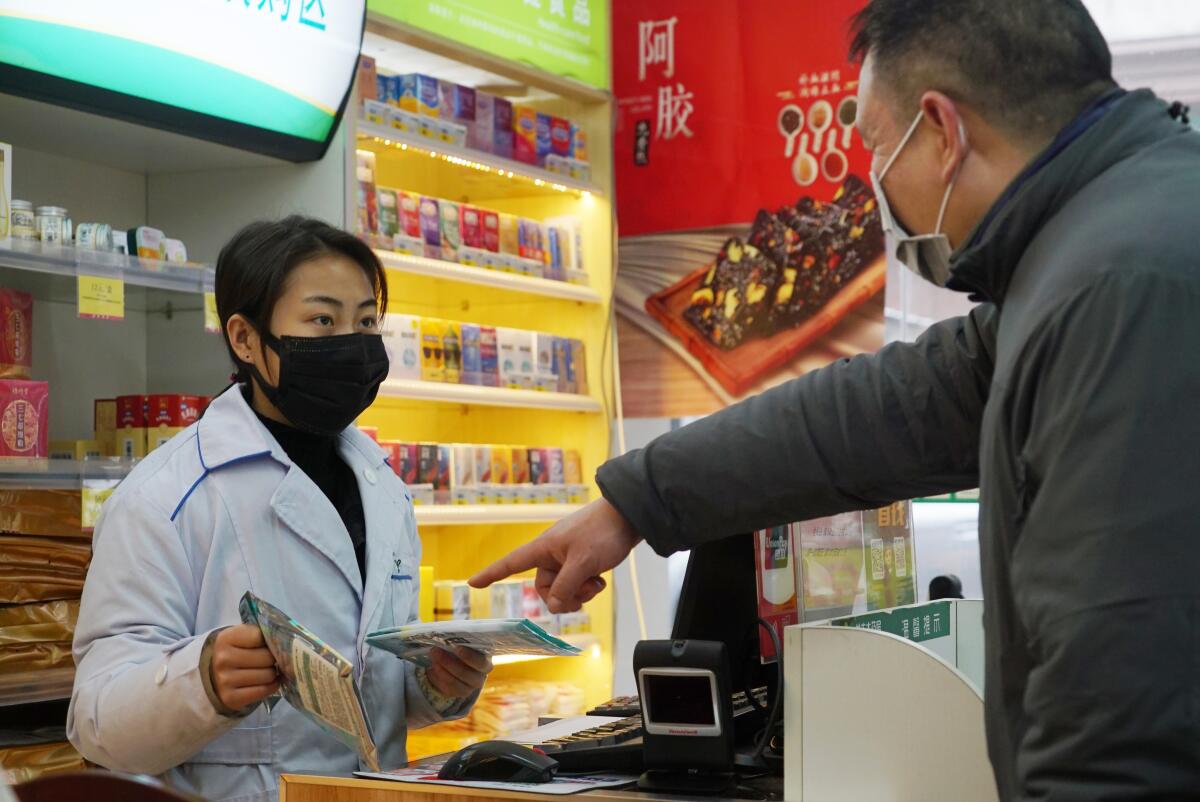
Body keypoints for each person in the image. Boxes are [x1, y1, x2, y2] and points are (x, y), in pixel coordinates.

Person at [473, 0, 1200, 798]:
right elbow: (884, 411)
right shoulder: (1091, 252)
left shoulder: (1122, 290)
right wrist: (635, 503)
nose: (880, 190)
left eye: (878, 151)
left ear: (942, 133)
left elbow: (1125, 708)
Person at [68, 217, 491, 802]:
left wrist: (435, 684)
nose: (353, 341)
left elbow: (369, 696)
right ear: (245, 339)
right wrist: (204, 680)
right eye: (323, 320)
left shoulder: (382, 485)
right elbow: (97, 725)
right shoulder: (165, 497)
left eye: (366, 321)